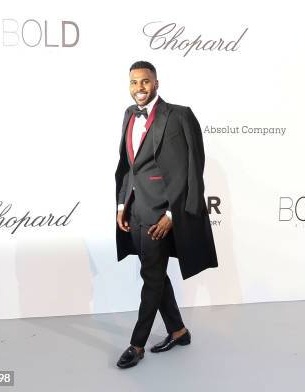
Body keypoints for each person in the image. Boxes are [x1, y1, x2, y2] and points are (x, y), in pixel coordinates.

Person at [114, 60, 218, 369]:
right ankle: (179, 331)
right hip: (136, 210)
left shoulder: (179, 115)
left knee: (151, 278)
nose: (139, 88)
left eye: (145, 81)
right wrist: (122, 204)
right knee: (154, 273)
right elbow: (128, 167)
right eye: (133, 82)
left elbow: (192, 169)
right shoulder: (128, 115)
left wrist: (174, 215)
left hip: (162, 212)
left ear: (156, 83)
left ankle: (137, 344)